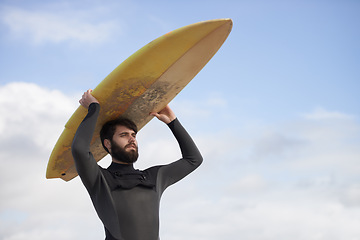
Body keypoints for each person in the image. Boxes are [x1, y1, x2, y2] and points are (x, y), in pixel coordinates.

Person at [71, 89, 203, 240]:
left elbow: (194, 160)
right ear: (107, 144)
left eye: (133, 135)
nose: (131, 139)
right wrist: (94, 108)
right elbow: (80, 150)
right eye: (124, 135)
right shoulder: (100, 179)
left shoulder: (154, 177)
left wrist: (173, 122)